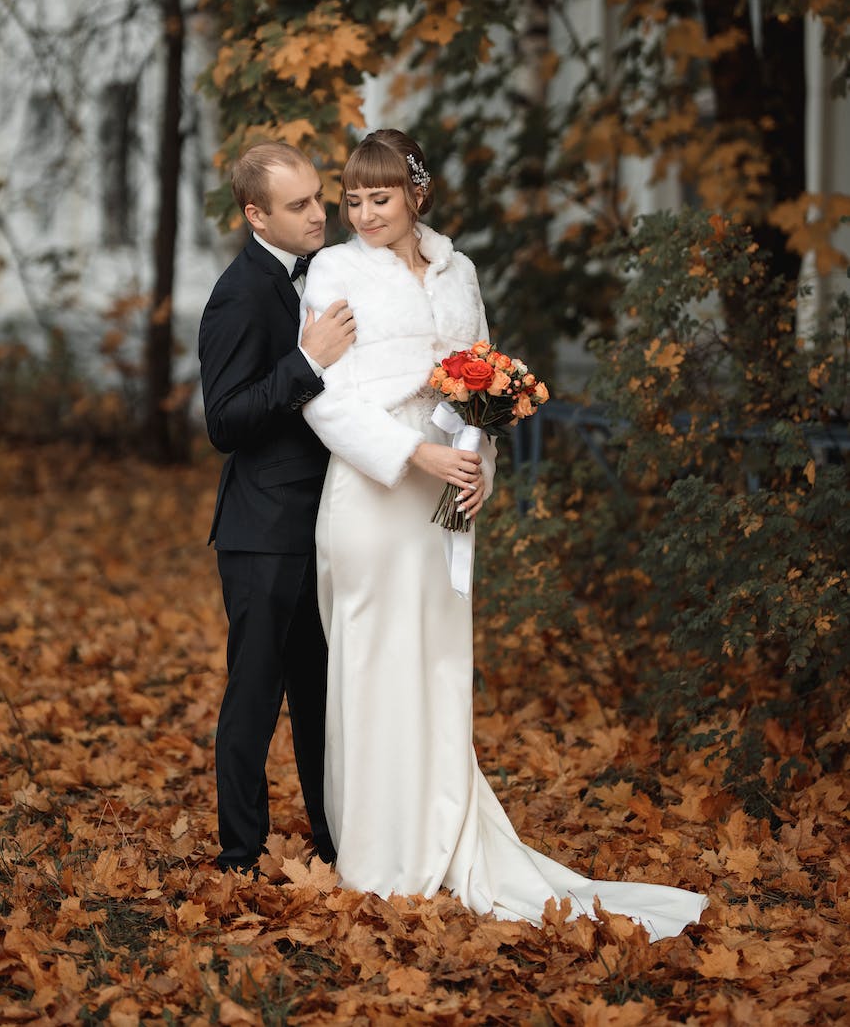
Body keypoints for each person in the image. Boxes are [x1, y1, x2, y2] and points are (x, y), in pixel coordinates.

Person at [299, 128, 708, 939]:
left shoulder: (460, 271)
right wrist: (410, 445)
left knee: (439, 659)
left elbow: (482, 377)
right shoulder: (335, 270)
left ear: (417, 193)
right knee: (373, 659)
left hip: (444, 494)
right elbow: (323, 396)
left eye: (380, 197)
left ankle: (443, 823)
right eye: (351, 199)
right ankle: (380, 853)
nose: (364, 212)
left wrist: (474, 459)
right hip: (374, 493)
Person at [199, 140, 356, 873]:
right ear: (255, 213)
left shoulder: (327, 274)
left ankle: (333, 840)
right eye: (299, 206)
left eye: (319, 197)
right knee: (255, 698)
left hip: (327, 523)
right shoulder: (238, 292)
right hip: (262, 531)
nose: (318, 214)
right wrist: (308, 362)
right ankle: (239, 853)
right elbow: (224, 421)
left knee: (322, 700)